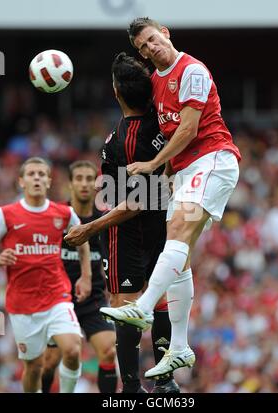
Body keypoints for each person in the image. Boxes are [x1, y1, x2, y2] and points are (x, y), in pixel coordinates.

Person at [98, 17, 241, 380]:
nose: (149, 50)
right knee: (180, 255)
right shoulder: (156, 82)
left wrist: (153, 164)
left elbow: (190, 128)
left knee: (176, 232)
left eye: (151, 40)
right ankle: (178, 347)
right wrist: (167, 174)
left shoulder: (191, 70)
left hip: (213, 159)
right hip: (186, 171)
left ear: (165, 33)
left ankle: (143, 307)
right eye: (142, 48)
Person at [65, 52, 179, 393]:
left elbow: (139, 200)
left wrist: (91, 227)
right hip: (161, 226)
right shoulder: (166, 122)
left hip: (126, 234)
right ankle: (165, 380)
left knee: (125, 307)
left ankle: (131, 388)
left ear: (117, 93)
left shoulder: (123, 140)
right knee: (160, 299)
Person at [0, 157, 92, 393]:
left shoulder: (64, 213)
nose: (37, 178)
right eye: (31, 174)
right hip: (22, 304)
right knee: (34, 366)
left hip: (56, 296)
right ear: (21, 181)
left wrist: (86, 276)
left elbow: (83, 241)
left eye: (42, 174)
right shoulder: (6, 215)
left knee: (72, 349)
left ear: (49, 181)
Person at [41, 160, 117, 393]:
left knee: (109, 351)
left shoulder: (104, 221)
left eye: (88, 179)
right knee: (50, 362)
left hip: (93, 299)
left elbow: (114, 258)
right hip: (58, 299)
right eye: (79, 178)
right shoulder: (55, 216)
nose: (84, 184)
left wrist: (115, 291)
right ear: (70, 184)